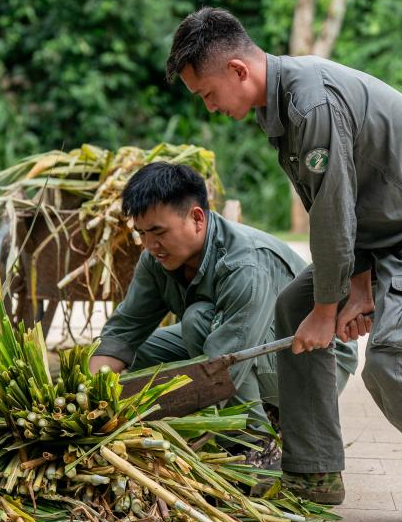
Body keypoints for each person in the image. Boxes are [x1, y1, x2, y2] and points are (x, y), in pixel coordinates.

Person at [165, 7, 402, 522]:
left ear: (236, 70)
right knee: (292, 307)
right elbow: (344, 201)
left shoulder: (311, 103)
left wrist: (329, 311)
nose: (210, 108)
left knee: (390, 360)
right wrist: (355, 288)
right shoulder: (278, 108)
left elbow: (333, 215)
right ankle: (314, 471)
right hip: (391, 227)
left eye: (207, 94)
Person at [90, 161, 357, 464]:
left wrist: (153, 411)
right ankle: (243, 418)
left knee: (198, 321)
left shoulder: (244, 263)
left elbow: (226, 362)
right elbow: (124, 331)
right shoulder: (156, 259)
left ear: (197, 218)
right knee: (137, 353)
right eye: (141, 233)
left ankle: (255, 445)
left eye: (158, 232)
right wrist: (88, 391)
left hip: (311, 359)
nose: (150, 244)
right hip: (242, 344)